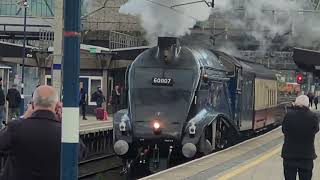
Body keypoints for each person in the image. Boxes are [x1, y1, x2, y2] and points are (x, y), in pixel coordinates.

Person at [0, 85, 62, 180]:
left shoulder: (16, 128)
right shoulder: (63, 132)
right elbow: (80, 153)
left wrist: (23, 117)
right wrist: (64, 122)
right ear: (57, 106)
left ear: (32, 105)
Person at [281, 95, 319, 180]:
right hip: (306, 156)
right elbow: (316, 130)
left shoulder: (288, 115)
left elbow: (284, 130)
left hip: (289, 156)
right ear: (308, 104)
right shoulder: (313, 116)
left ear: (295, 104)